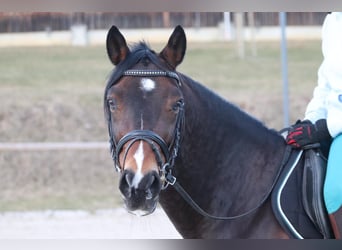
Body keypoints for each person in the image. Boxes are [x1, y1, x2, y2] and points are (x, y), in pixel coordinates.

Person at [286, 12, 342, 239]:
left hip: (335, 127)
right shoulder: (333, 20)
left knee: (335, 192)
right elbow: (326, 84)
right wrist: (310, 121)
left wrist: (324, 129)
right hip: (334, 124)